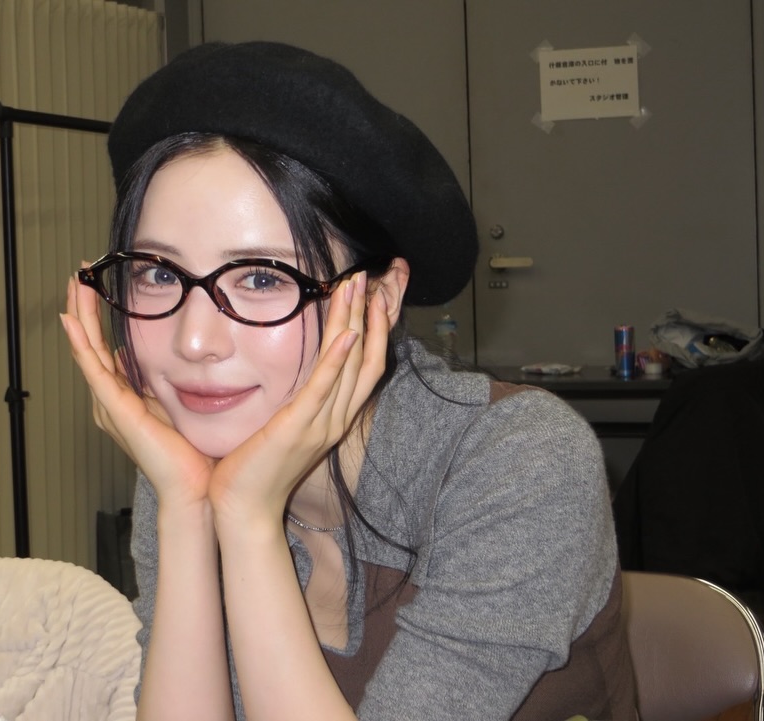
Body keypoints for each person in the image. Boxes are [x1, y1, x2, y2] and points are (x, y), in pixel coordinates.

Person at [61, 41, 635, 721]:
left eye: (262, 278)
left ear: (378, 300)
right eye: (158, 273)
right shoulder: (185, 454)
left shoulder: (521, 461)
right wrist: (187, 507)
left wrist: (246, 518)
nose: (194, 341)